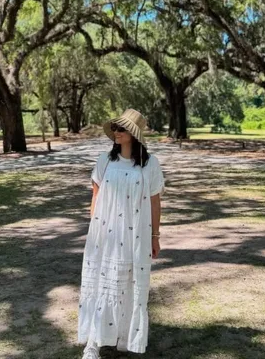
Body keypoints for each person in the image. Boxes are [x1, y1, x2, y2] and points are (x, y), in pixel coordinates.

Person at [77, 108, 165, 359]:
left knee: (128, 282)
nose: (116, 132)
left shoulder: (150, 164)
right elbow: (95, 196)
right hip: (105, 235)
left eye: (122, 128)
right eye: (114, 127)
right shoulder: (105, 160)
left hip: (136, 234)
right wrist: (94, 231)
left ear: (134, 134)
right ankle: (93, 343)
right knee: (100, 283)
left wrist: (155, 236)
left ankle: (124, 336)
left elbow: (155, 202)